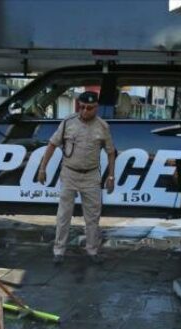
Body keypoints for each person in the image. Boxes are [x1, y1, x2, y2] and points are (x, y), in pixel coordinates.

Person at [36, 91, 116, 264]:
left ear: (97, 108)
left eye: (90, 108)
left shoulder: (103, 127)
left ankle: (92, 250)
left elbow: (110, 152)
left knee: (93, 217)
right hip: (69, 174)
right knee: (64, 215)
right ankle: (59, 251)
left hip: (91, 176)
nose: (85, 111)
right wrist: (42, 168)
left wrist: (111, 176)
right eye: (82, 107)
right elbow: (51, 145)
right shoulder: (67, 123)